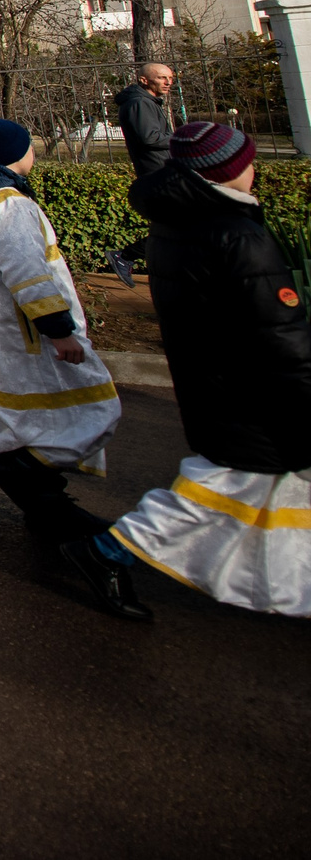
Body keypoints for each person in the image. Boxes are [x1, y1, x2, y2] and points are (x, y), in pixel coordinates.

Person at [111, 122, 311, 616]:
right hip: (250, 390)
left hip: (216, 382)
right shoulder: (237, 233)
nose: (254, 169)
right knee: (213, 494)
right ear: (227, 172)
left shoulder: (177, 222)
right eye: (248, 161)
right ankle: (105, 551)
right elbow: (280, 333)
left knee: (240, 492)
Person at [0, 114, 140, 620]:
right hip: (31, 340)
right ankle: (70, 526)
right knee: (89, 413)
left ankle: (46, 508)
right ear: (14, 152)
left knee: (14, 423)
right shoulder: (8, 204)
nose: (35, 152)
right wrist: (58, 331)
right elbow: (28, 273)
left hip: (5, 338)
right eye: (29, 146)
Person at [107, 62, 178, 289]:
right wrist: (182, 139)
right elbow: (149, 138)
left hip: (162, 173)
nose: (168, 82)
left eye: (170, 78)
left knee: (175, 228)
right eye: (162, 78)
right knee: (177, 228)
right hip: (157, 175)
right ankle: (125, 256)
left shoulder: (147, 102)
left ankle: (127, 257)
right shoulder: (139, 103)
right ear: (144, 80)